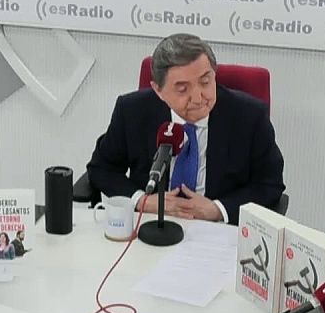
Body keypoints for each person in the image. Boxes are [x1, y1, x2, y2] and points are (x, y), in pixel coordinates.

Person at [85, 33, 285, 225]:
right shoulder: (132, 111)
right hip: (150, 223)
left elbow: (269, 183)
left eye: (205, 82)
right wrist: (141, 200)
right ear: (158, 90)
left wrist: (217, 209)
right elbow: (102, 168)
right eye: (182, 89)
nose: (198, 98)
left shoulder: (249, 116)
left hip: (217, 228)